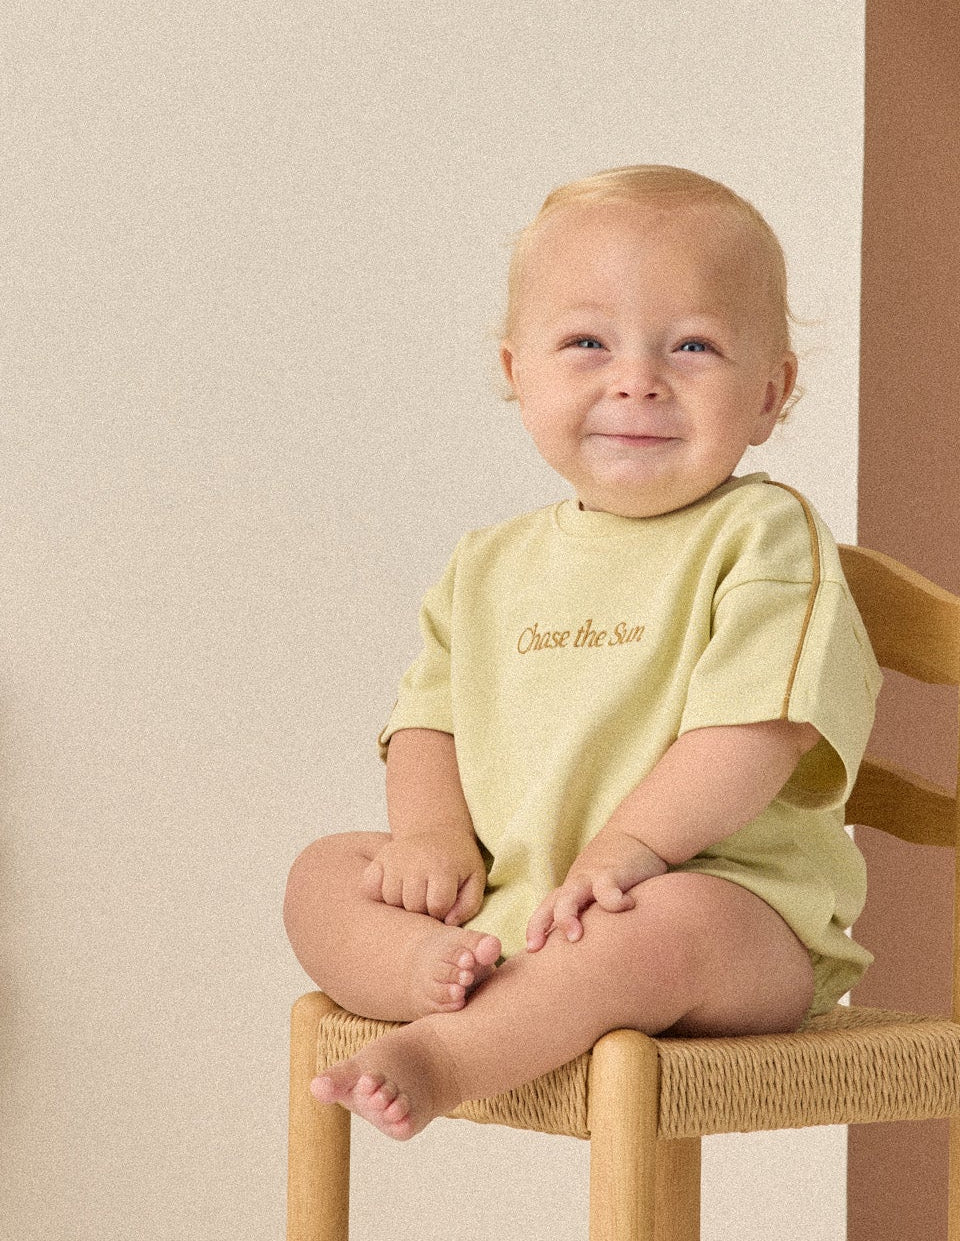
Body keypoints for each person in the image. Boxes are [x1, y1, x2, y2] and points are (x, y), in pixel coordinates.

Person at [283, 164, 882, 1141]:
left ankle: (446, 1055)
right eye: (586, 343)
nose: (636, 378)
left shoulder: (763, 537)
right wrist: (432, 840)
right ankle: (429, 972)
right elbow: (427, 724)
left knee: (671, 924)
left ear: (769, 393)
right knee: (322, 874)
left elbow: (753, 734)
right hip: (517, 902)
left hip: (730, 914)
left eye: (692, 345)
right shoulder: (487, 564)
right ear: (518, 373)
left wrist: (626, 852)